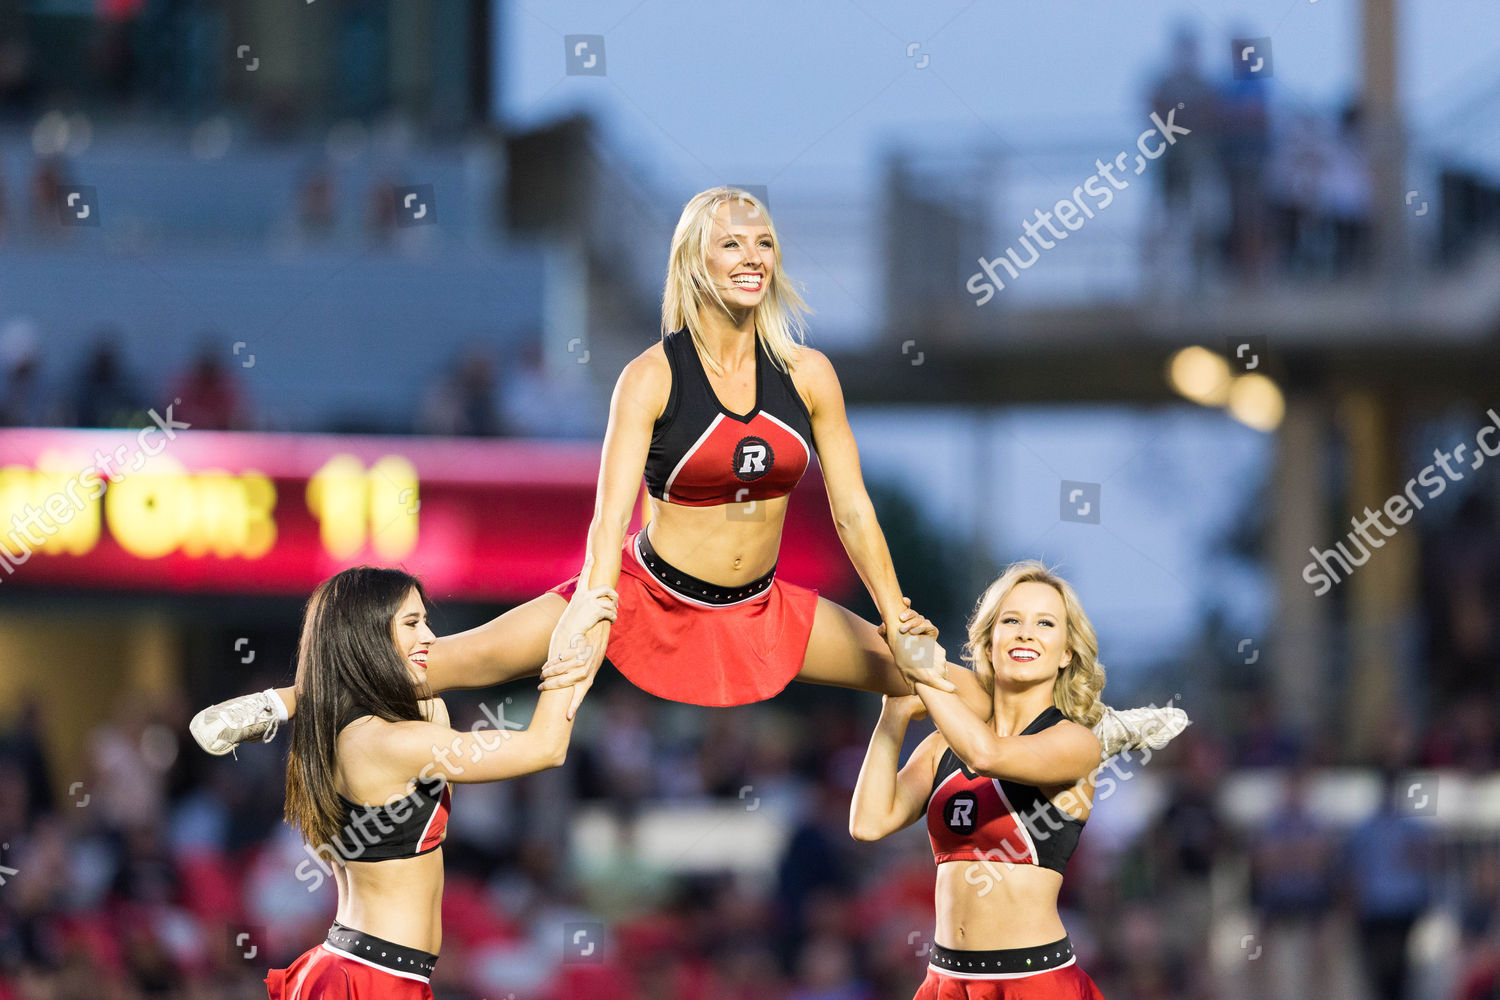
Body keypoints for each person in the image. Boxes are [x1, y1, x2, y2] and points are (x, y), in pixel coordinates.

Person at [190, 187, 1183, 758]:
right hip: (645, 594)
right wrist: (586, 606)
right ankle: (280, 705)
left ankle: (1107, 727)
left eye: (764, 243)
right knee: (445, 662)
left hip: (765, 609)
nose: (753, 256)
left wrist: (900, 611)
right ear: (695, 260)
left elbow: (851, 508)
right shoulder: (648, 376)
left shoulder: (811, 374)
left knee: (950, 677)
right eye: (732, 243)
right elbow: (605, 514)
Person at [263, 566, 616, 999]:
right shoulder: (390, 740)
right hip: (375, 979)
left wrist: (569, 614)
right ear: (366, 636)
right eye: (412, 624)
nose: (429, 636)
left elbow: (483, 656)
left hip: (369, 968)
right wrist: (573, 650)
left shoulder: (363, 724)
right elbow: (545, 748)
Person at [850, 561, 1139, 999]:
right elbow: (869, 824)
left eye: (1045, 623)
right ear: (988, 644)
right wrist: (893, 711)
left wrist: (923, 670)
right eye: (1011, 620)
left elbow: (986, 755)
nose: (1025, 633)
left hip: (1032, 982)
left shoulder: (1075, 742)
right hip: (944, 982)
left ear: (1066, 653)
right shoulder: (942, 746)